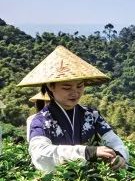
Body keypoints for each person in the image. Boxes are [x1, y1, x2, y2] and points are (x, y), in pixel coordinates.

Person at [18, 45, 129, 173]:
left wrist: (120, 156)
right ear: (50, 86)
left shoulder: (92, 115)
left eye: (80, 86)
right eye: (67, 88)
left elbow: (114, 141)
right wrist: (87, 152)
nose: (75, 93)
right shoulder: (41, 120)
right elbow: (40, 154)